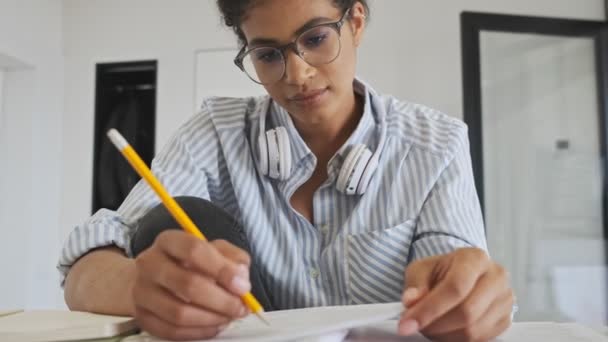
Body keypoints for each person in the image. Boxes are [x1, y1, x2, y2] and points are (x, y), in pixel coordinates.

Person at [59, 0, 514, 341]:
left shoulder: (437, 144)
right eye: (268, 54)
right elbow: (86, 262)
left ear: (355, 22)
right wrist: (138, 285)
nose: (296, 75)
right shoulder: (215, 135)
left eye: (315, 39)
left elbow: (457, 272)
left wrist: (465, 292)